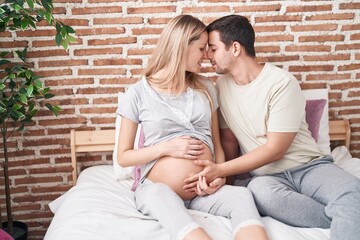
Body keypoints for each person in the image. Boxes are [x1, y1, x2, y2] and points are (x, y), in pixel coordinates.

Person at [183, 14, 360, 240]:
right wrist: (223, 180)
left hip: (308, 167)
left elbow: (276, 149)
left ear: (235, 48)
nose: (207, 55)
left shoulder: (281, 82)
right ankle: (343, 212)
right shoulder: (221, 87)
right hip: (268, 178)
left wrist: (220, 170)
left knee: (352, 192)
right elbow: (229, 142)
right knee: (258, 192)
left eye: (213, 48)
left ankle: (348, 209)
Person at [116, 15, 268, 240]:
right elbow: (123, 156)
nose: (207, 55)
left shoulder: (206, 87)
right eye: (201, 48)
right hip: (158, 188)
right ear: (182, 47)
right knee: (165, 201)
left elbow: (216, 143)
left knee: (242, 197)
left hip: (204, 191)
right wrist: (167, 148)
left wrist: (220, 177)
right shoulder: (138, 93)